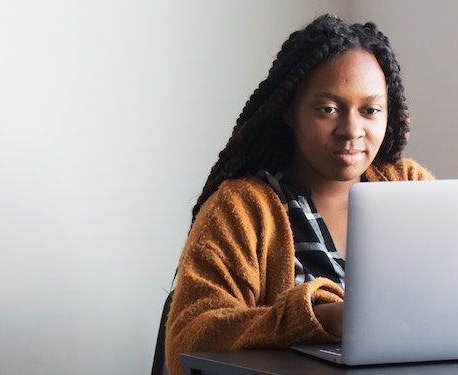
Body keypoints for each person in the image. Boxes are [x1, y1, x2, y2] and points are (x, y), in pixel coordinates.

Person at [164, 14, 434, 375]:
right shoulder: (242, 208)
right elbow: (189, 337)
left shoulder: (408, 186)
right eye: (328, 109)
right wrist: (319, 319)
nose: (351, 130)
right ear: (291, 111)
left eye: (370, 110)